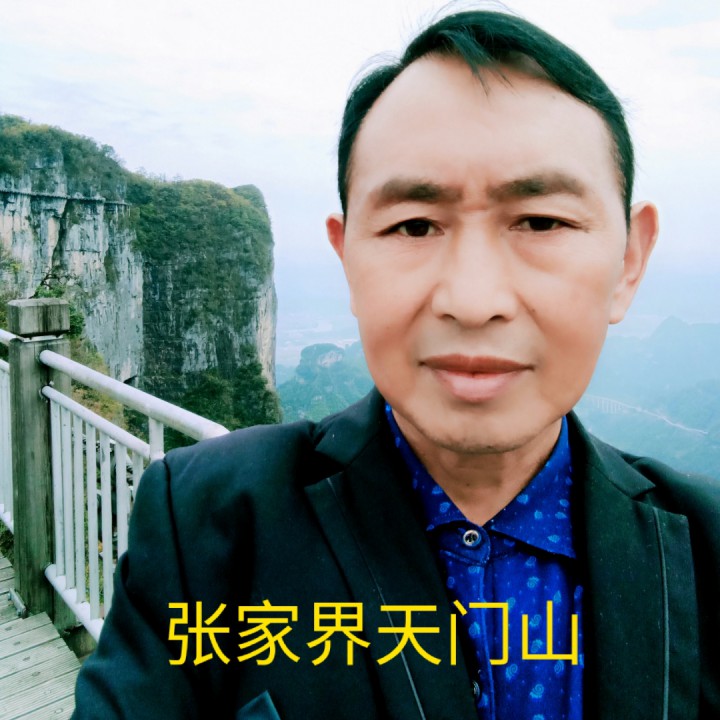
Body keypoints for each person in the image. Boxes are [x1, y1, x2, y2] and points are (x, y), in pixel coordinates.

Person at [73, 9, 719, 720]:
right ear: (347, 257)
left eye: (541, 221)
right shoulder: (206, 524)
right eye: (414, 225)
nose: (473, 300)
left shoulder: (708, 548)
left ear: (629, 260)